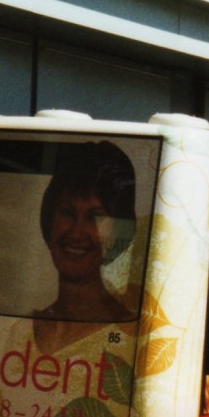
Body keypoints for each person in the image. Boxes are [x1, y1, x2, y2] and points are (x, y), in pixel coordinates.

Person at [32, 141, 137, 352]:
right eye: (67, 213)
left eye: (95, 217)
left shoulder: (131, 335)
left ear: (119, 229)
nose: (76, 232)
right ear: (49, 219)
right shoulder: (21, 330)